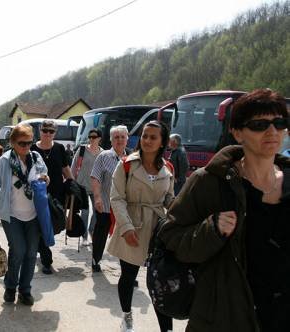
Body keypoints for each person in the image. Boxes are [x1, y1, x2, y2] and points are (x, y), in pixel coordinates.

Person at [159, 89, 290, 332]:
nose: (272, 131)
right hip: (224, 319)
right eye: (260, 125)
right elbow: (170, 238)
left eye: (279, 123)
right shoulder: (210, 182)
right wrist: (210, 230)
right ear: (237, 132)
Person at [108, 121, 175, 332]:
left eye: (153, 137)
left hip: (158, 230)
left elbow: (169, 199)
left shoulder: (168, 168)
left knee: (159, 282)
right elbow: (116, 198)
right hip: (132, 226)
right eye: (145, 136)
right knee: (128, 276)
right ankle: (127, 316)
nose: (147, 140)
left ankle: (168, 329)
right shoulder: (126, 164)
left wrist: (181, 210)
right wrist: (126, 227)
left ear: (162, 142)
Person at [0, 124, 48, 306]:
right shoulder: (4, 161)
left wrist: (45, 179)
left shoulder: (36, 157)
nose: (27, 147)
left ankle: (25, 290)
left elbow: (44, 174)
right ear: (12, 143)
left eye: (29, 142)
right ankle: (10, 287)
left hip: (34, 214)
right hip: (11, 215)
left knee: (31, 253)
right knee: (18, 250)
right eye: (22, 143)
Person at [31, 119, 74, 274]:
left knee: (54, 225)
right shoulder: (31, 149)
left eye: (51, 131)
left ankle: (39, 247)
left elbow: (65, 168)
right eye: (45, 131)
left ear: (55, 133)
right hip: (37, 194)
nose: (48, 134)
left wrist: (72, 184)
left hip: (57, 194)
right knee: (40, 224)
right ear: (40, 131)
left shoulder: (59, 148)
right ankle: (46, 260)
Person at [90, 125, 131, 272]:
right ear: (111, 140)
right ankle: (96, 259)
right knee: (100, 234)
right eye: (116, 137)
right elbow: (95, 177)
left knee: (126, 237)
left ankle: (127, 271)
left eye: (122, 137)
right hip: (106, 204)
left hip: (126, 207)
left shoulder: (132, 158)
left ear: (127, 139)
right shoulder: (104, 156)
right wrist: (97, 198)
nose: (119, 140)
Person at [71, 129, 103, 246]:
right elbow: (74, 166)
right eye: (90, 136)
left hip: (96, 187)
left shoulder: (103, 153)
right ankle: (84, 236)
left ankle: (91, 230)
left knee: (97, 212)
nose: (91, 138)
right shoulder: (82, 150)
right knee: (85, 212)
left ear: (99, 138)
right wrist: (71, 181)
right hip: (82, 186)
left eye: (94, 137)